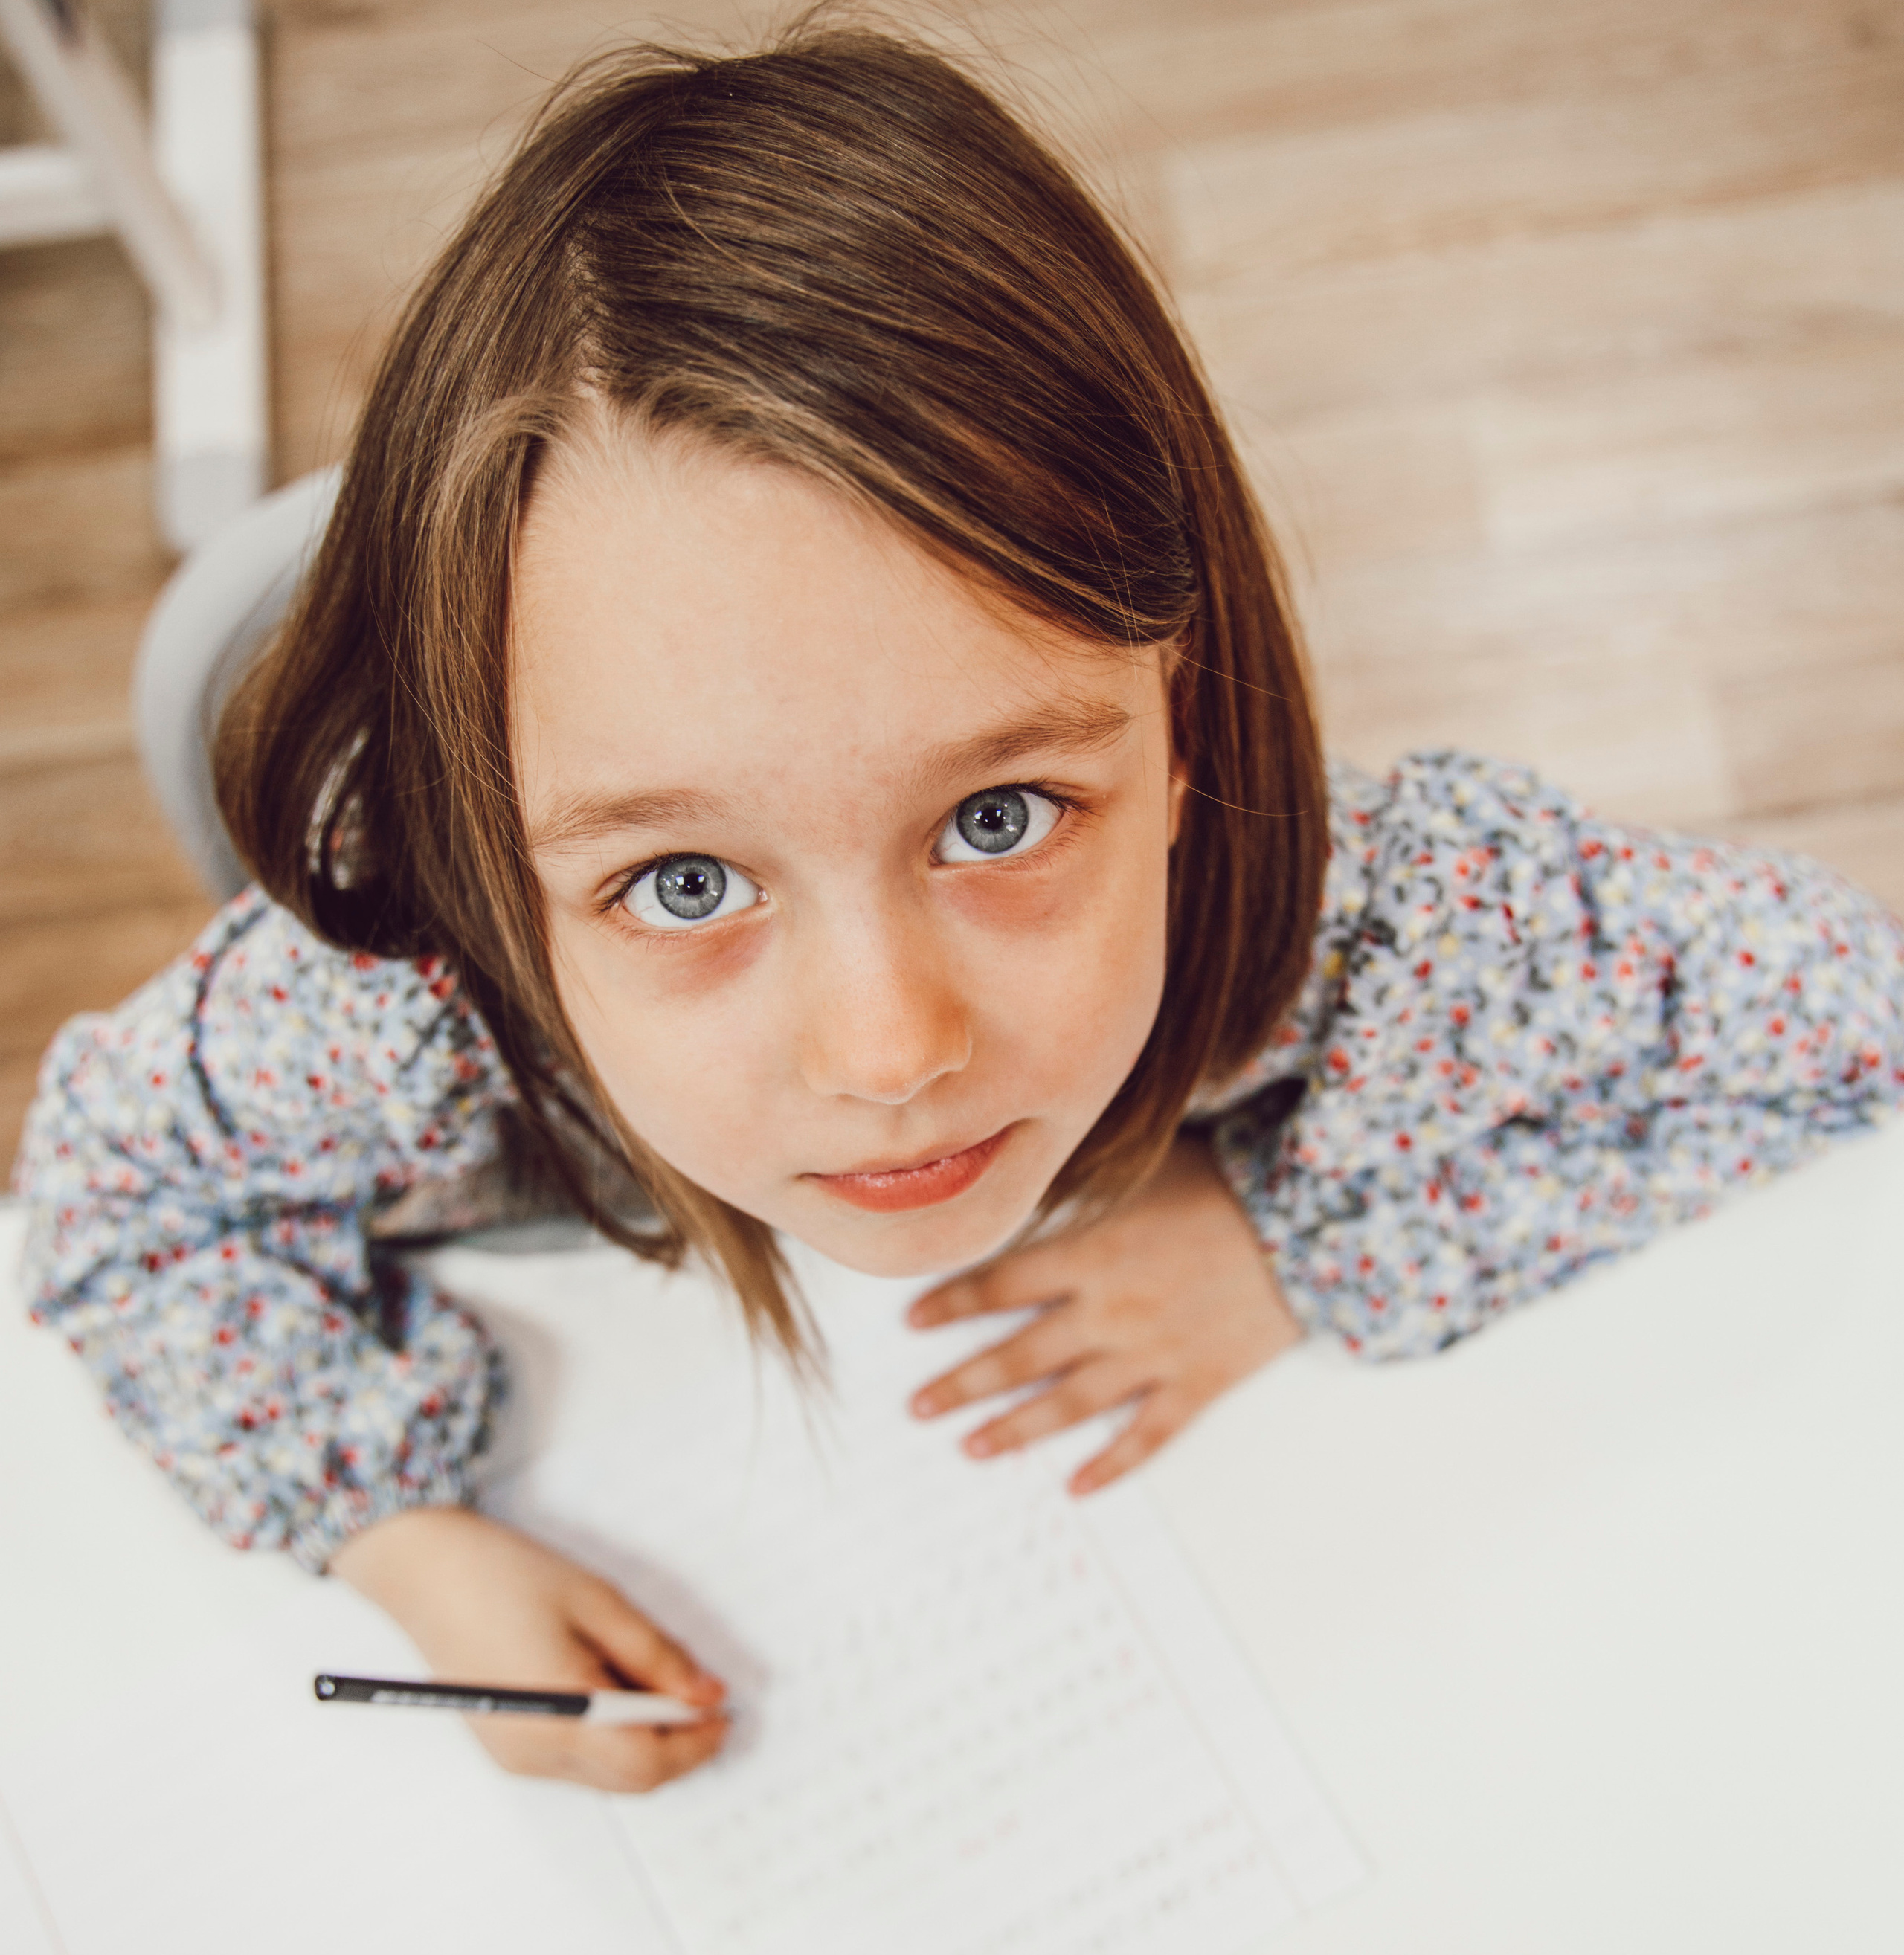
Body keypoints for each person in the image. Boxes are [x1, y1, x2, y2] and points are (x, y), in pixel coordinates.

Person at [16, 28, 1903, 1796]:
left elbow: (1847, 1022)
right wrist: (399, 1539)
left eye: (996, 819)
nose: (887, 1052)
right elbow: (106, 1206)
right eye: (683, 883)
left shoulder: (1395, 924)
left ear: (1182, 713)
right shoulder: (392, 1002)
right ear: (482, 851)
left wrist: (1303, 1246)